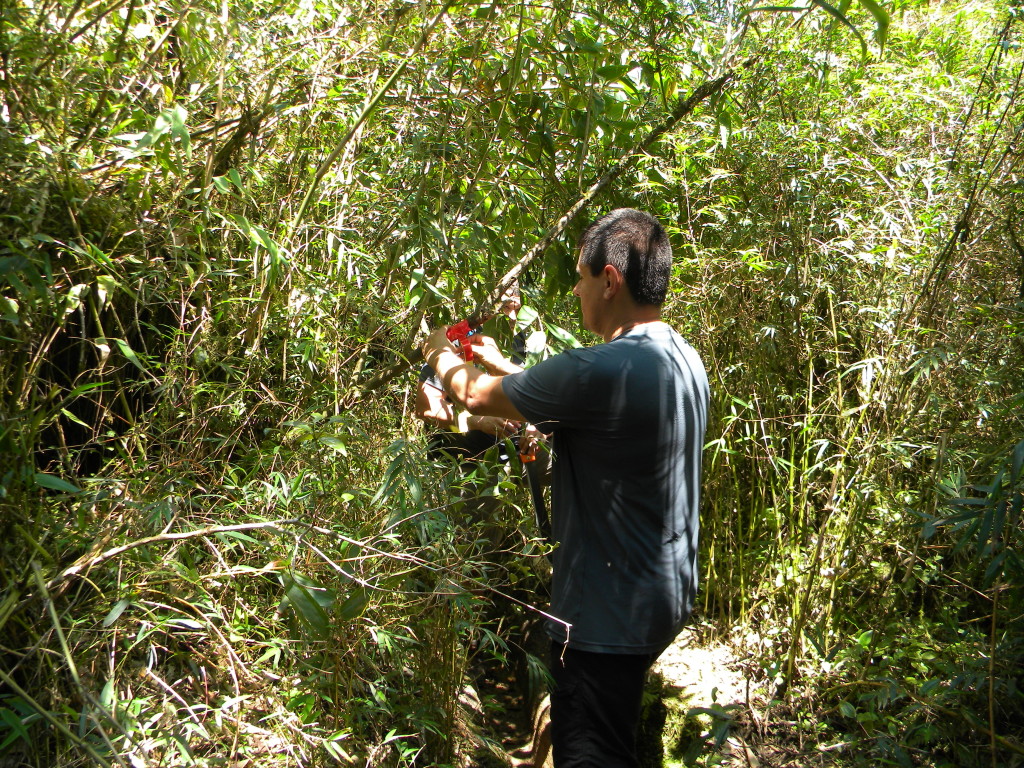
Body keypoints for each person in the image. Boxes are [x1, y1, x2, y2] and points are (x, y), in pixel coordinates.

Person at [421, 208, 709, 767]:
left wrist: (437, 349)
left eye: (581, 277)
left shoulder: (601, 368)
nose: (576, 290)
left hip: (604, 619)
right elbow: (588, 409)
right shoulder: (680, 356)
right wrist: (501, 362)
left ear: (610, 280)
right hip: (662, 599)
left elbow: (474, 395)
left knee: (592, 752)